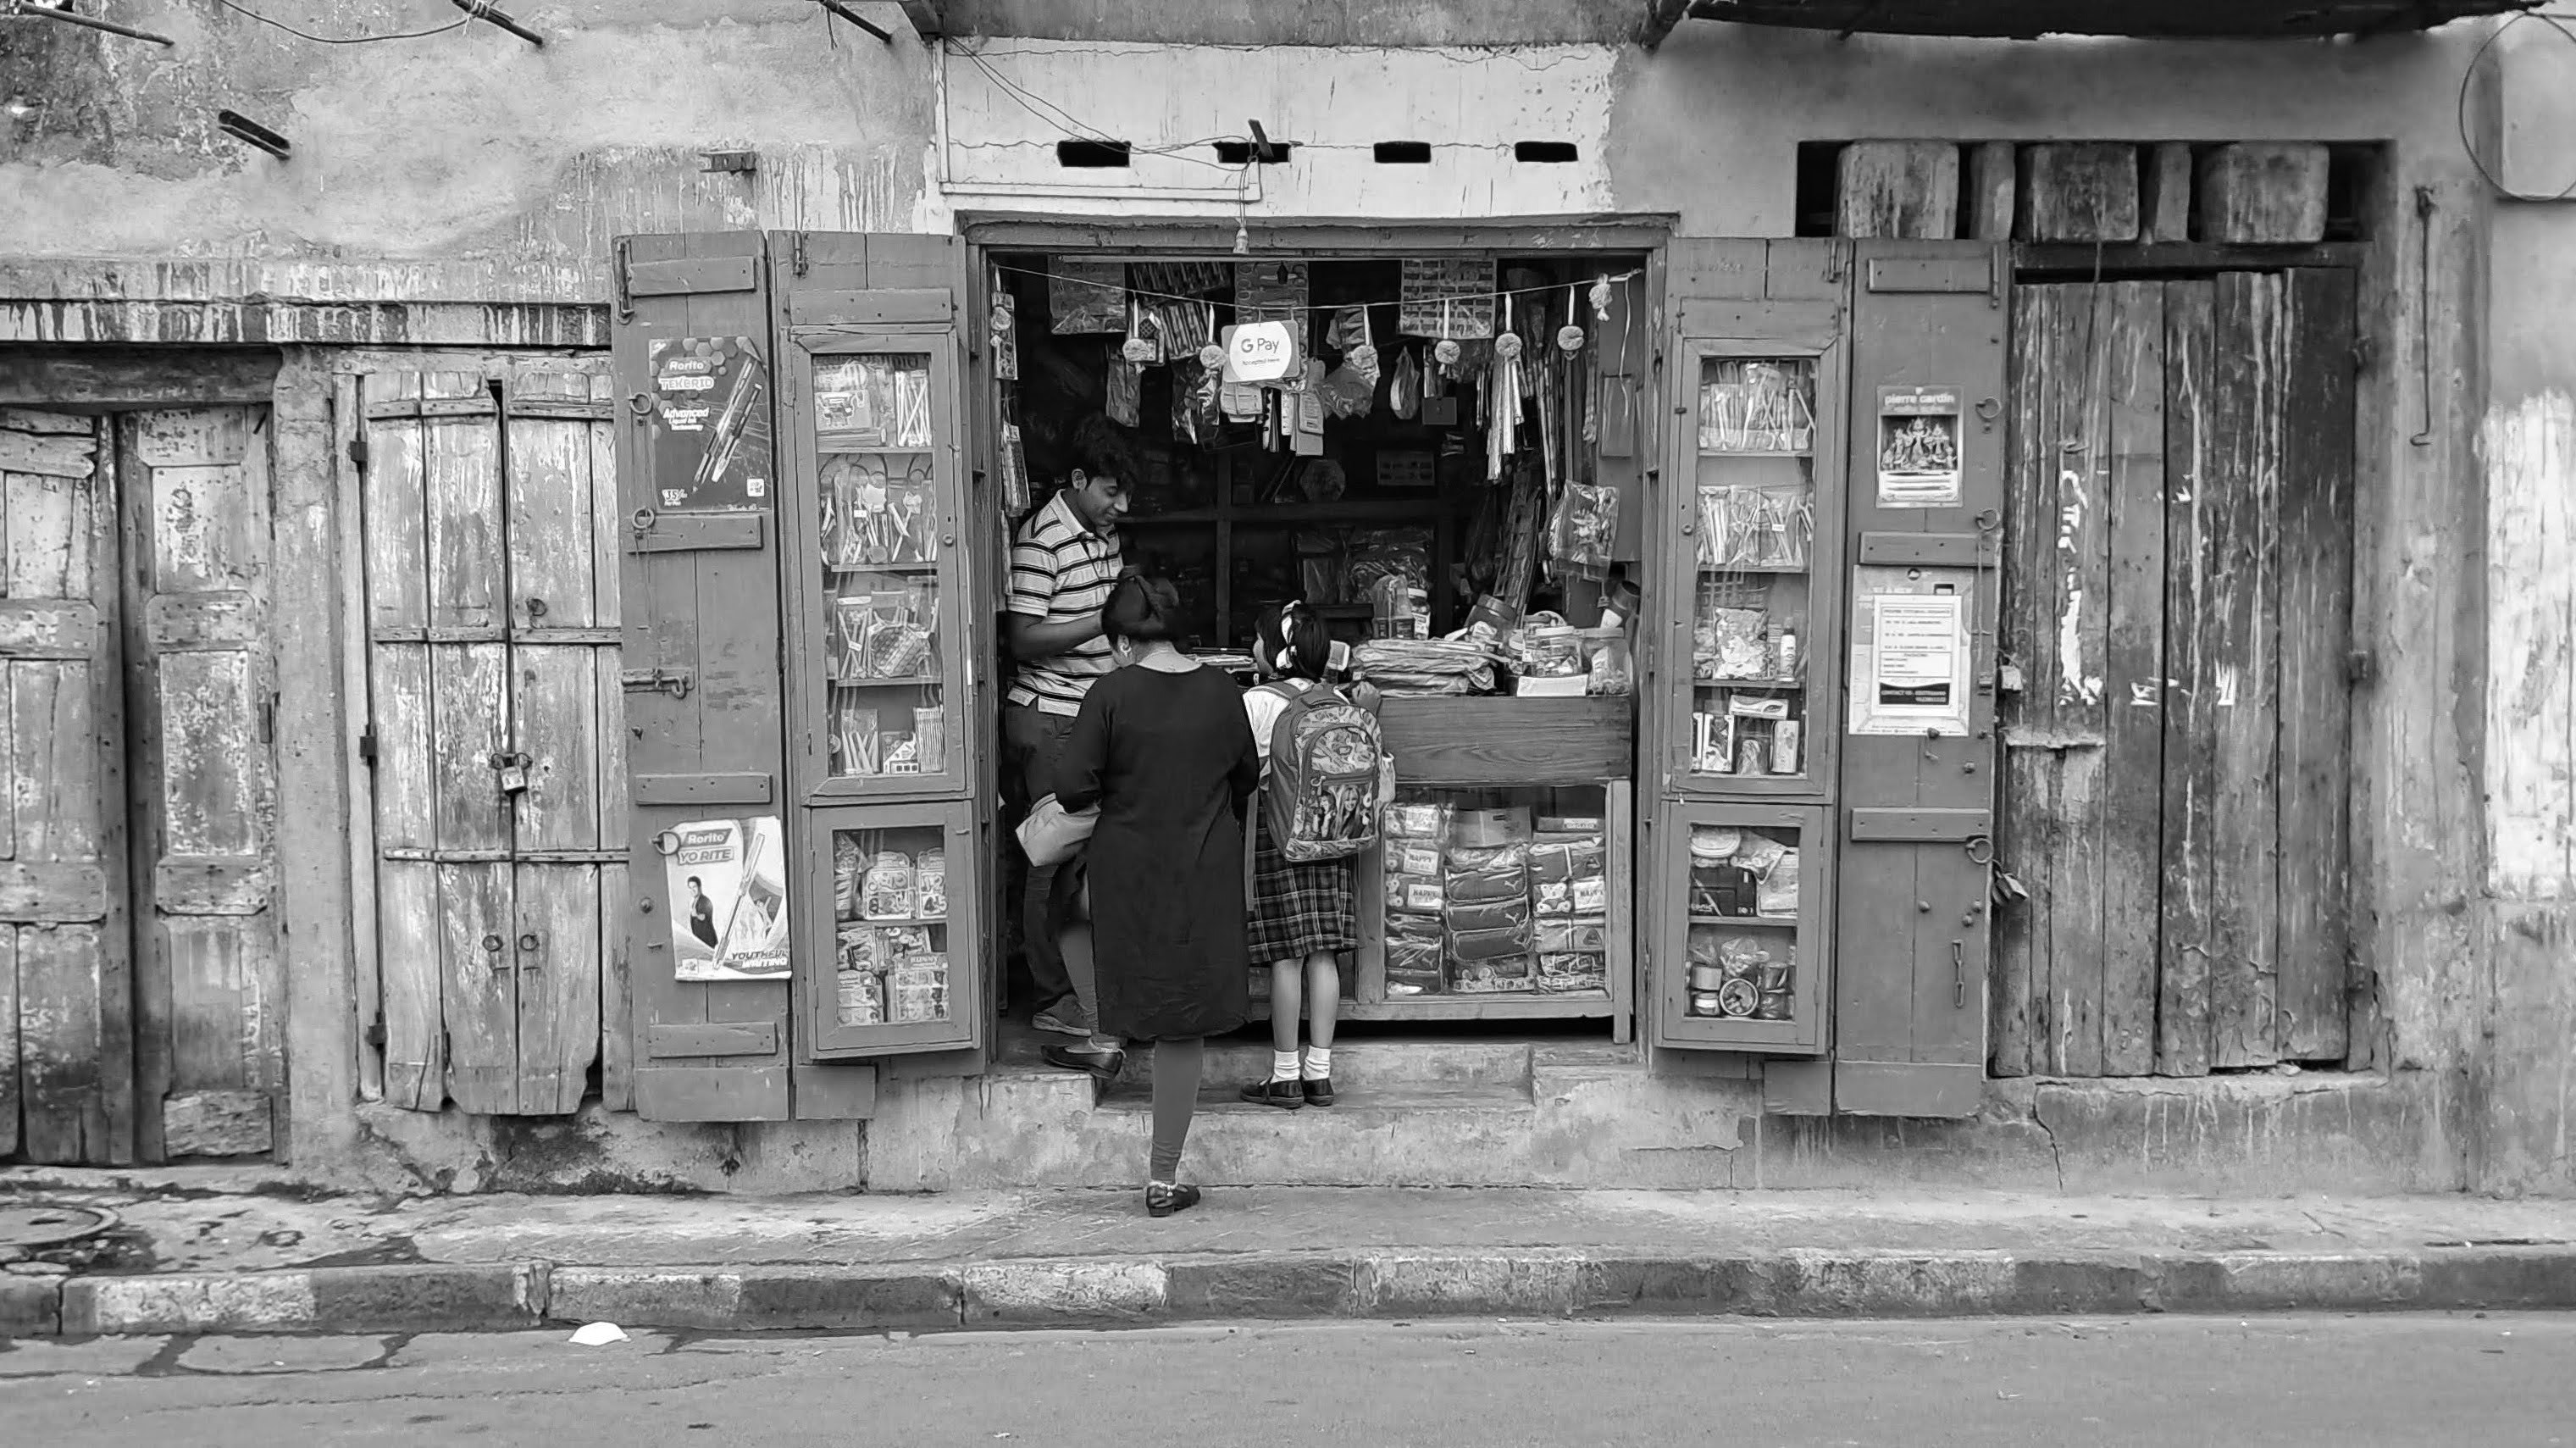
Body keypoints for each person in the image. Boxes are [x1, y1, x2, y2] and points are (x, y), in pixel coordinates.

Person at [1048, 574, 1259, 1218]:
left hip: (1125, 870)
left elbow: (1072, 789)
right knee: (1181, 1023)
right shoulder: (1222, 691)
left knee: (1066, 909)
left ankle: (1102, 1027)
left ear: (1120, 642)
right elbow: (1246, 777)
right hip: (1201, 872)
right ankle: (1162, 1179)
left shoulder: (1110, 692)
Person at [1003, 420, 1132, 1040]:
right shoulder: (1041, 541)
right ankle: (1053, 996)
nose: (1120, 505)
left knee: (1081, 863)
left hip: (1088, 712)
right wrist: (1101, 621)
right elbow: (1022, 638)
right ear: (1077, 481)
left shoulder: (1101, 534)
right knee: (1048, 857)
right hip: (1049, 714)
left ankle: (1083, 990)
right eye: (1110, 492)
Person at [1235, 602, 1364, 1110]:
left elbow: (1242, 770)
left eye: (1257, 639)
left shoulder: (1258, 701)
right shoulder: (1336, 698)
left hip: (1278, 834)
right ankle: (1321, 1072)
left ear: (1273, 650)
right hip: (1333, 836)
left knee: (1285, 955)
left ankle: (1285, 1074)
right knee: (1324, 952)